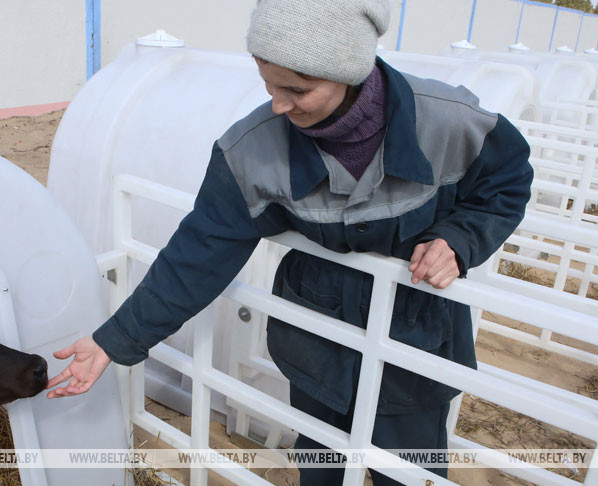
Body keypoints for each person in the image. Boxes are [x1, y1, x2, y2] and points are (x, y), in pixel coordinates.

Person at [46, 0, 533, 484]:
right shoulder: (253, 151)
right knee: (319, 463)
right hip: (316, 343)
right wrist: (116, 339)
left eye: (297, 89)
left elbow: (507, 182)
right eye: (267, 83)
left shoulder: (452, 123)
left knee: (407, 471)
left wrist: (459, 237)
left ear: (348, 69)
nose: (278, 104)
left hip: (416, 343)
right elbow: (198, 253)